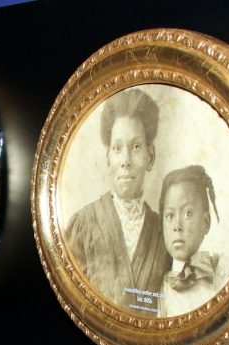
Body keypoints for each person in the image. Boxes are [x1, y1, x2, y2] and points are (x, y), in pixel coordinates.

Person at [64, 87, 170, 315]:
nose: (126, 161)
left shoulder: (165, 234)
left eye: (136, 147)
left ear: (150, 157)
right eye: (117, 148)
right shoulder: (82, 225)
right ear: (108, 158)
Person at [157, 165, 229, 317]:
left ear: (205, 222)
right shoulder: (164, 288)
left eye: (188, 213)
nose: (177, 226)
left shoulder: (224, 270)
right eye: (170, 216)